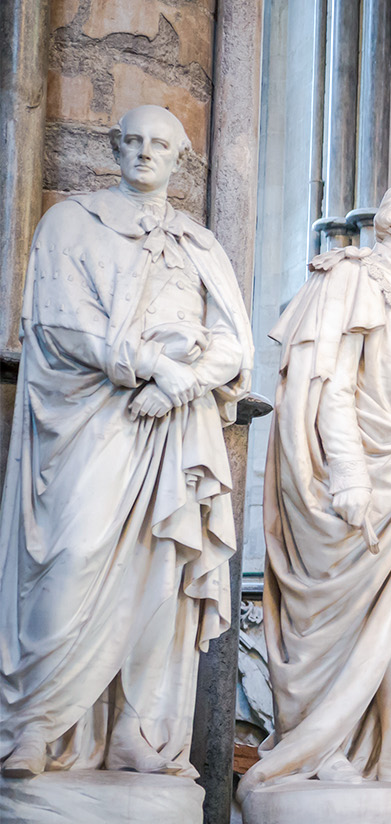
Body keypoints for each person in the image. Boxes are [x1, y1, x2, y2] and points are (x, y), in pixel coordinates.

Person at [0, 105, 252, 778]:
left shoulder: (198, 244)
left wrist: (178, 384)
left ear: (179, 160)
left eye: (160, 145)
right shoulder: (70, 224)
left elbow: (234, 343)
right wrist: (152, 365)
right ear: (115, 146)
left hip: (172, 425)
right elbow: (59, 324)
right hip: (92, 419)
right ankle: (36, 725)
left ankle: (137, 730)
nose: (145, 153)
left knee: (161, 571)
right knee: (74, 553)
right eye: (134, 141)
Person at [240, 181, 391, 796]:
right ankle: (319, 745)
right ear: (386, 222)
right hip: (361, 475)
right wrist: (347, 474)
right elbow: (330, 384)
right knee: (336, 614)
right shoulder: (353, 278)